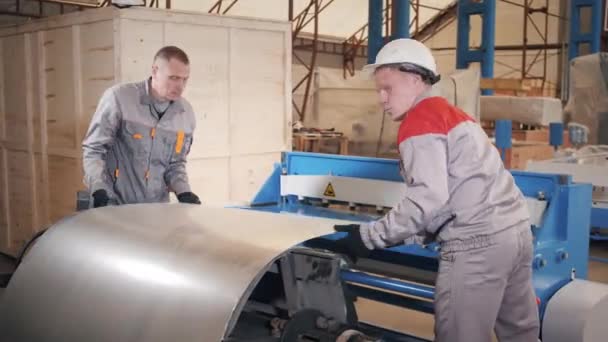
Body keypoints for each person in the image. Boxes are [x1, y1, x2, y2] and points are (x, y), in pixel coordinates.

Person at [333, 38, 540, 342]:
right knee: (520, 334)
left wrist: (367, 238)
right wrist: (415, 233)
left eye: (387, 88)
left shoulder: (420, 121)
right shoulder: (455, 116)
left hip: (476, 246)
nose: (382, 99)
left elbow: (428, 198)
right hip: (515, 234)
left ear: (415, 78)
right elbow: (458, 189)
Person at [82, 45, 201, 208]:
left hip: (155, 211)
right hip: (113, 207)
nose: (180, 86)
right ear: (155, 71)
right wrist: (98, 188)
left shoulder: (185, 114)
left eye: (184, 79)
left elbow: (176, 164)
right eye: (173, 78)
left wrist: (184, 191)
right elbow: (94, 151)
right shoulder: (119, 99)